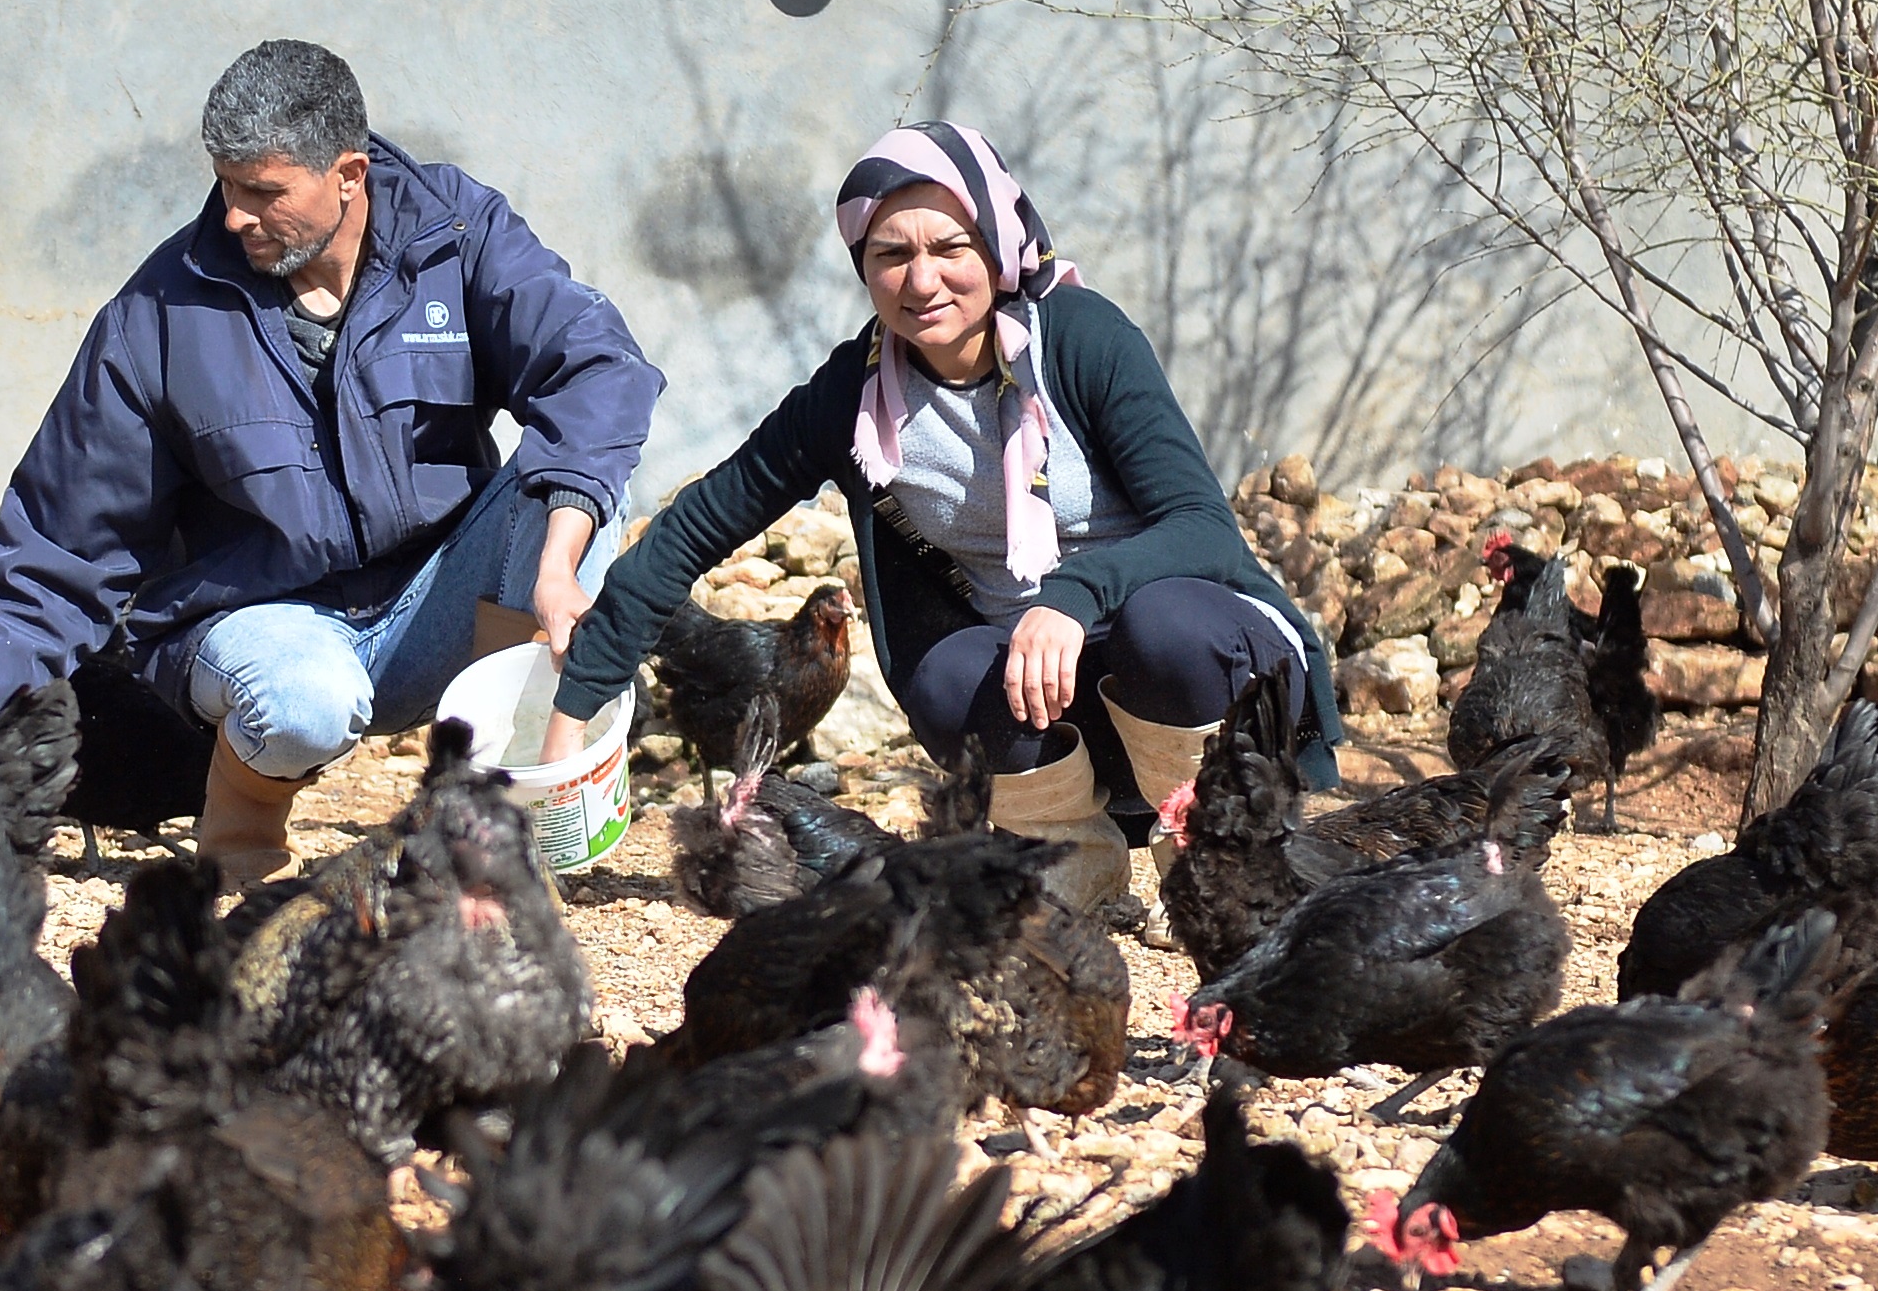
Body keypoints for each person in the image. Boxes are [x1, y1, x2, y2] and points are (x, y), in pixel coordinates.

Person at [0, 40, 660, 885]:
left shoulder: (454, 236)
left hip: (434, 602)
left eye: (263, 192)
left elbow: (596, 368)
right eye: (224, 185)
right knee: (302, 702)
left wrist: (554, 565)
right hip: (265, 623)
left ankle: (509, 817)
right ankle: (239, 851)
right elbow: (61, 544)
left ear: (348, 174)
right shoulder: (161, 314)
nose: (235, 215)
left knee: (578, 479)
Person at [548, 122, 1337, 918]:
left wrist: (1071, 597)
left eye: (950, 247)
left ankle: (1217, 867)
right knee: (951, 675)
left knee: (1162, 622)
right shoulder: (851, 401)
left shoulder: (1084, 341)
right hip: (1053, 701)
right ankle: (1074, 873)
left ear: (996, 248)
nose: (922, 280)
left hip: (1208, 669)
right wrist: (573, 712)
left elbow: (1201, 525)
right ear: (865, 268)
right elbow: (693, 527)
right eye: (891, 255)